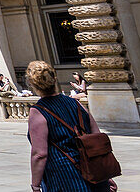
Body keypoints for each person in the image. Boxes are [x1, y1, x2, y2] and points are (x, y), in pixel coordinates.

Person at [26, 60, 116, 192]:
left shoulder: (38, 112)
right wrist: (106, 175)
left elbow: (40, 154)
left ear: (32, 84)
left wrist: (35, 185)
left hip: (64, 178)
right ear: (54, 79)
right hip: (93, 174)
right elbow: (97, 139)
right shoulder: (76, 104)